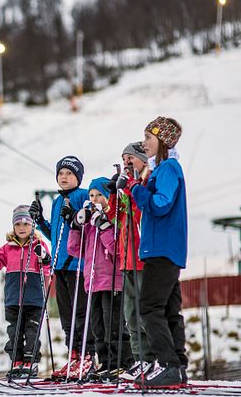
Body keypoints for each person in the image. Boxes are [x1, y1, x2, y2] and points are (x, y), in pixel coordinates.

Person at [125, 116, 188, 388]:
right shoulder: (162, 169)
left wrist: (138, 191)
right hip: (163, 248)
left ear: (162, 141)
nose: (144, 143)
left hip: (161, 248)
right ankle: (178, 365)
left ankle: (169, 364)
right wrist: (139, 185)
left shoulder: (169, 168)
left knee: (149, 307)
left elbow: (161, 204)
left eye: (148, 138)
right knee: (168, 309)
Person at [30, 156, 94, 379]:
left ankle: (88, 356)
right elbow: (56, 236)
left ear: (78, 177)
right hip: (60, 266)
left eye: (69, 173)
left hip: (77, 264)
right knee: (66, 316)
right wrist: (40, 221)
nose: (64, 177)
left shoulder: (83, 196)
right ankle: (74, 356)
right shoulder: (58, 201)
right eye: (60, 174)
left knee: (81, 312)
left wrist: (75, 217)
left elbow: (86, 225)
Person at [67, 177, 132, 379]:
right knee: (97, 325)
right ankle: (105, 361)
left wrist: (103, 226)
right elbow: (75, 250)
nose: (94, 199)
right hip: (93, 281)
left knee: (112, 321)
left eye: (99, 195)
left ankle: (122, 360)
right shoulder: (89, 224)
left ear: (107, 198)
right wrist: (76, 227)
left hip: (112, 279)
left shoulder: (114, 218)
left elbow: (118, 250)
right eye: (91, 195)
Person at [0, 205, 51, 379]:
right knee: (14, 332)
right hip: (13, 299)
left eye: (26, 224)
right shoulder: (7, 248)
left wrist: (43, 257)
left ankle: (30, 363)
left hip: (34, 299)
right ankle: (17, 362)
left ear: (32, 225)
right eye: (18, 224)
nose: (22, 228)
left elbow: (48, 267)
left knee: (31, 331)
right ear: (13, 226)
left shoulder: (39, 245)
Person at [110, 142, 156, 381]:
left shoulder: (145, 183)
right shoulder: (126, 187)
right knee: (130, 312)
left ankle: (153, 358)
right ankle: (140, 358)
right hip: (126, 258)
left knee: (144, 310)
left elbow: (142, 212)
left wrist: (129, 187)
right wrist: (112, 192)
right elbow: (115, 217)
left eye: (131, 158)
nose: (127, 163)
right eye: (123, 158)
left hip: (142, 257)